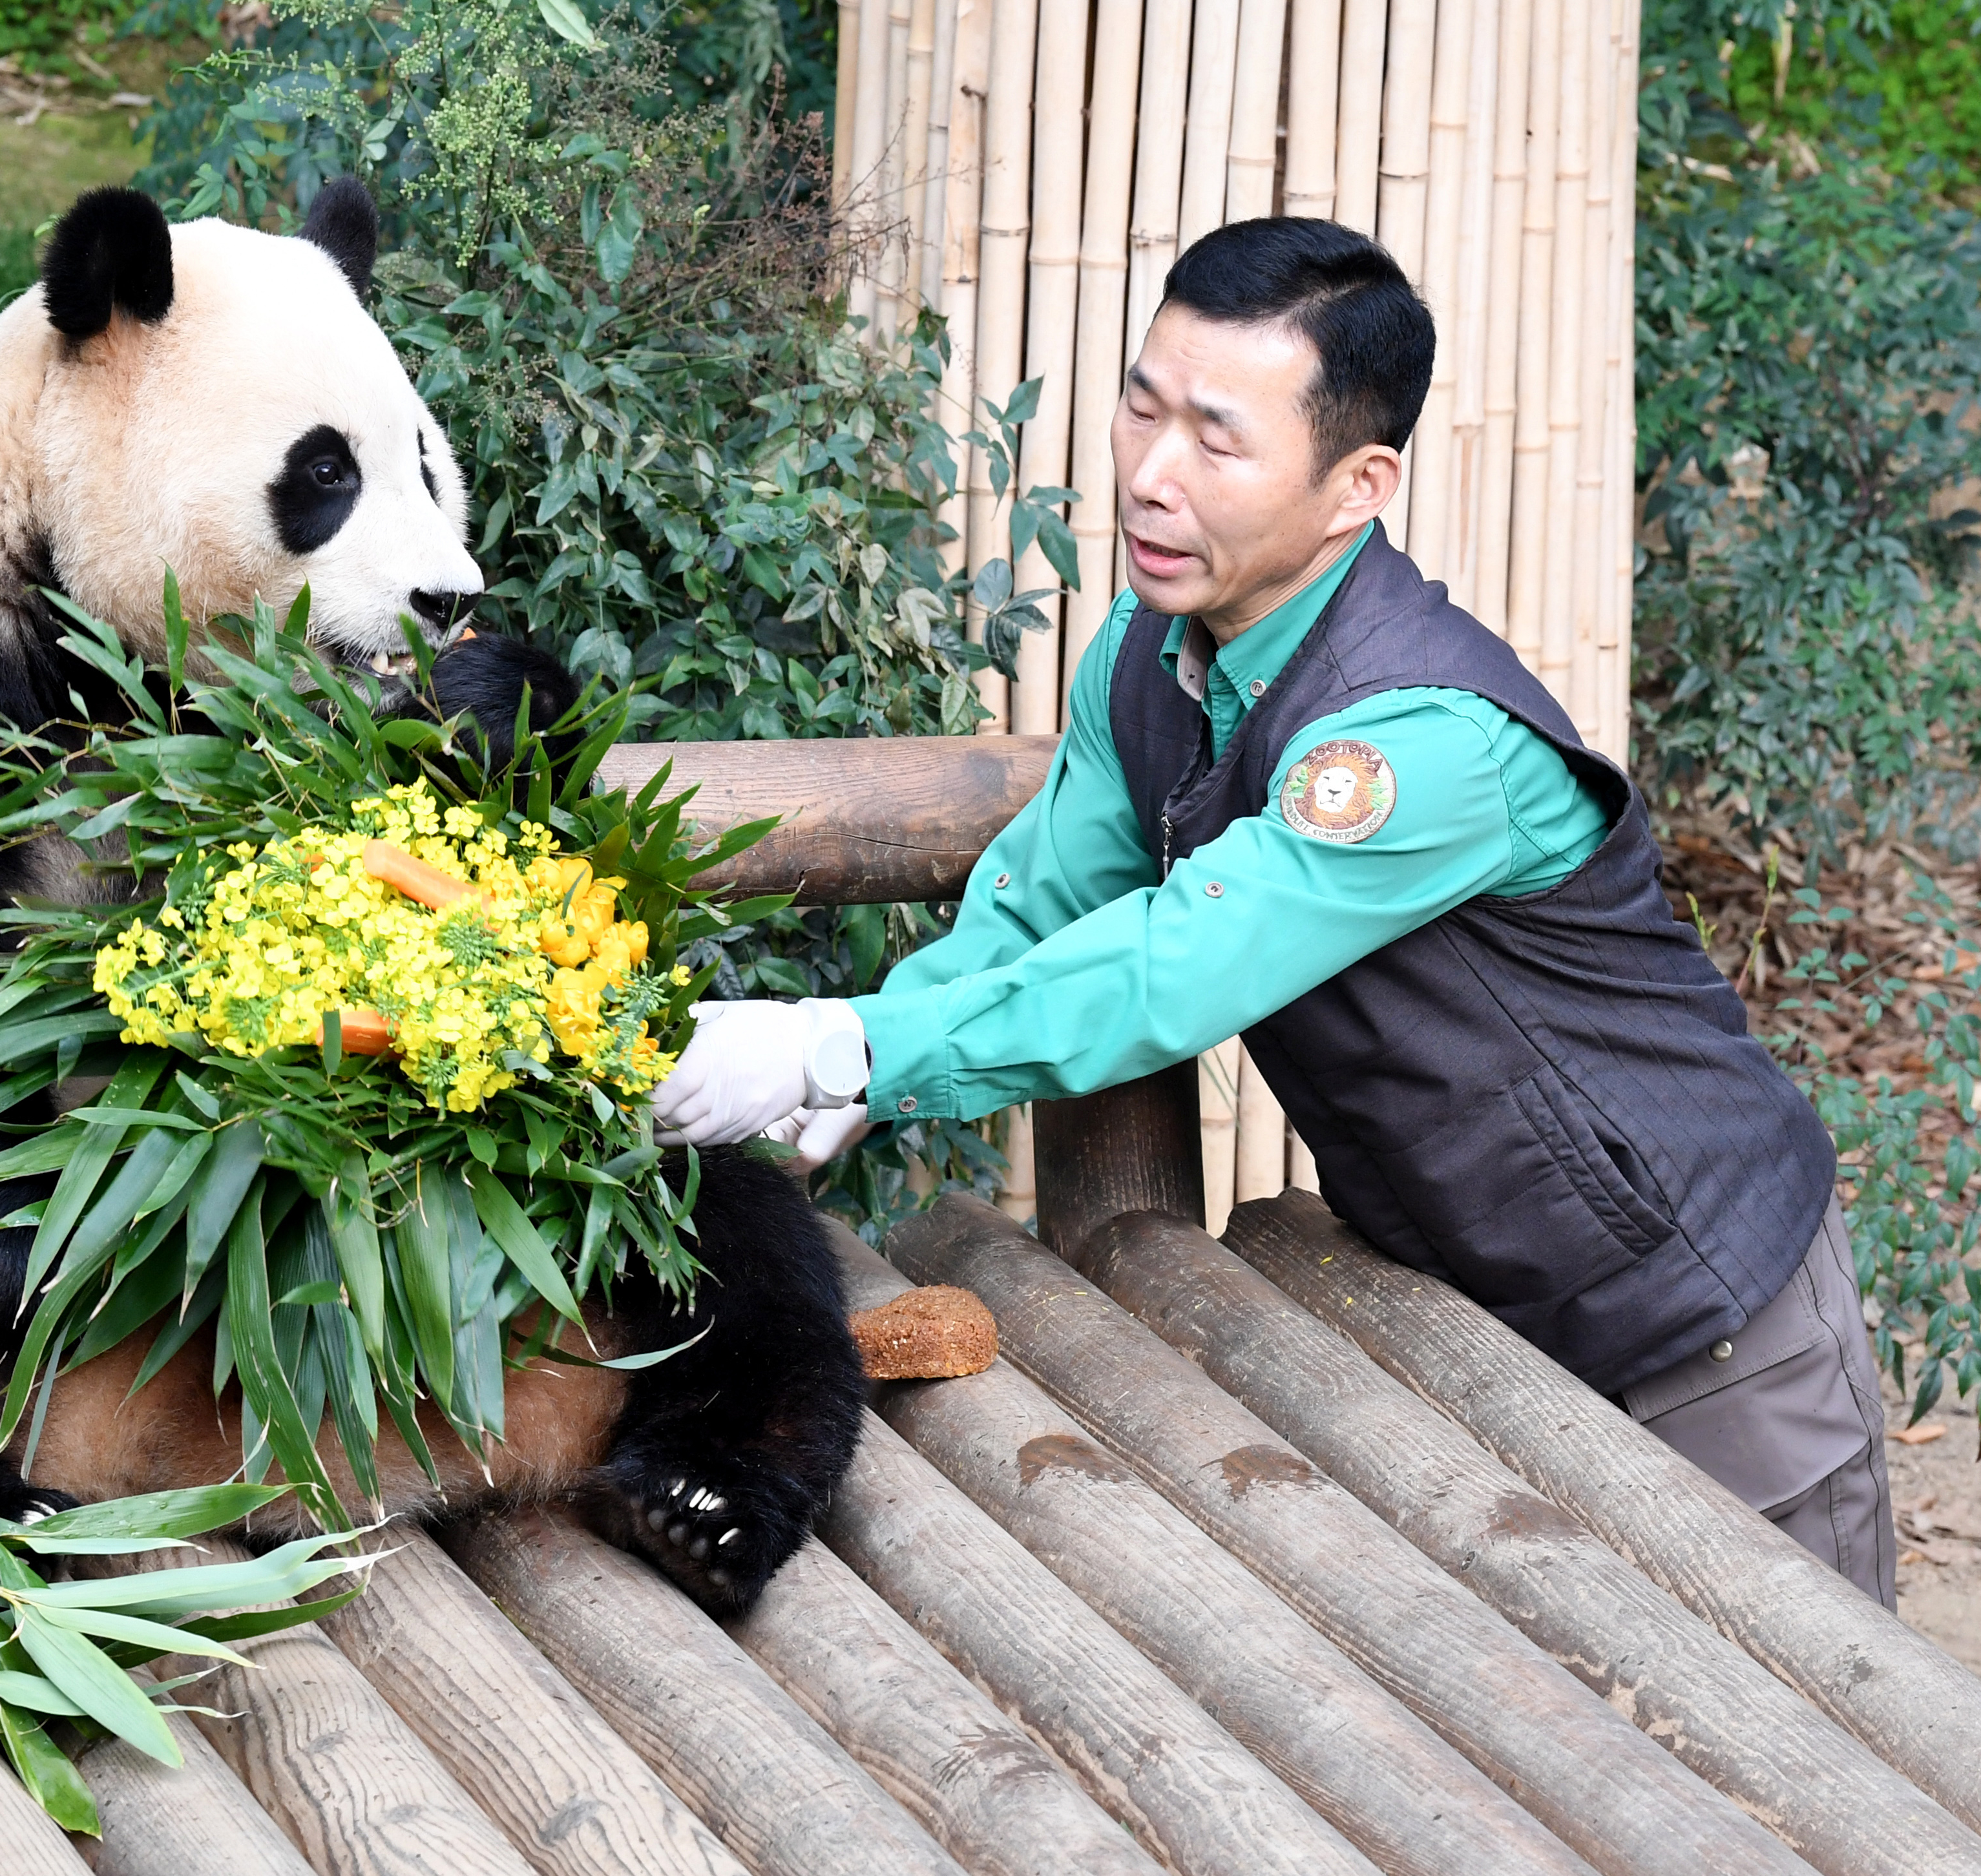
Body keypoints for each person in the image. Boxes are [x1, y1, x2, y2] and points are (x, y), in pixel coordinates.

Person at [651, 217, 1895, 1607]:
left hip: (1703, 1318)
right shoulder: (1150, 651)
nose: (1149, 476)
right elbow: (1048, 900)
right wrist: (873, 1051)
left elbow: (1177, 964)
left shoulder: (1424, 740)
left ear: (1355, 484)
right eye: (1140, 407)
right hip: (1467, 1313)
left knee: (1816, 1751)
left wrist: (849, 1051)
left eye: (1216, 439)